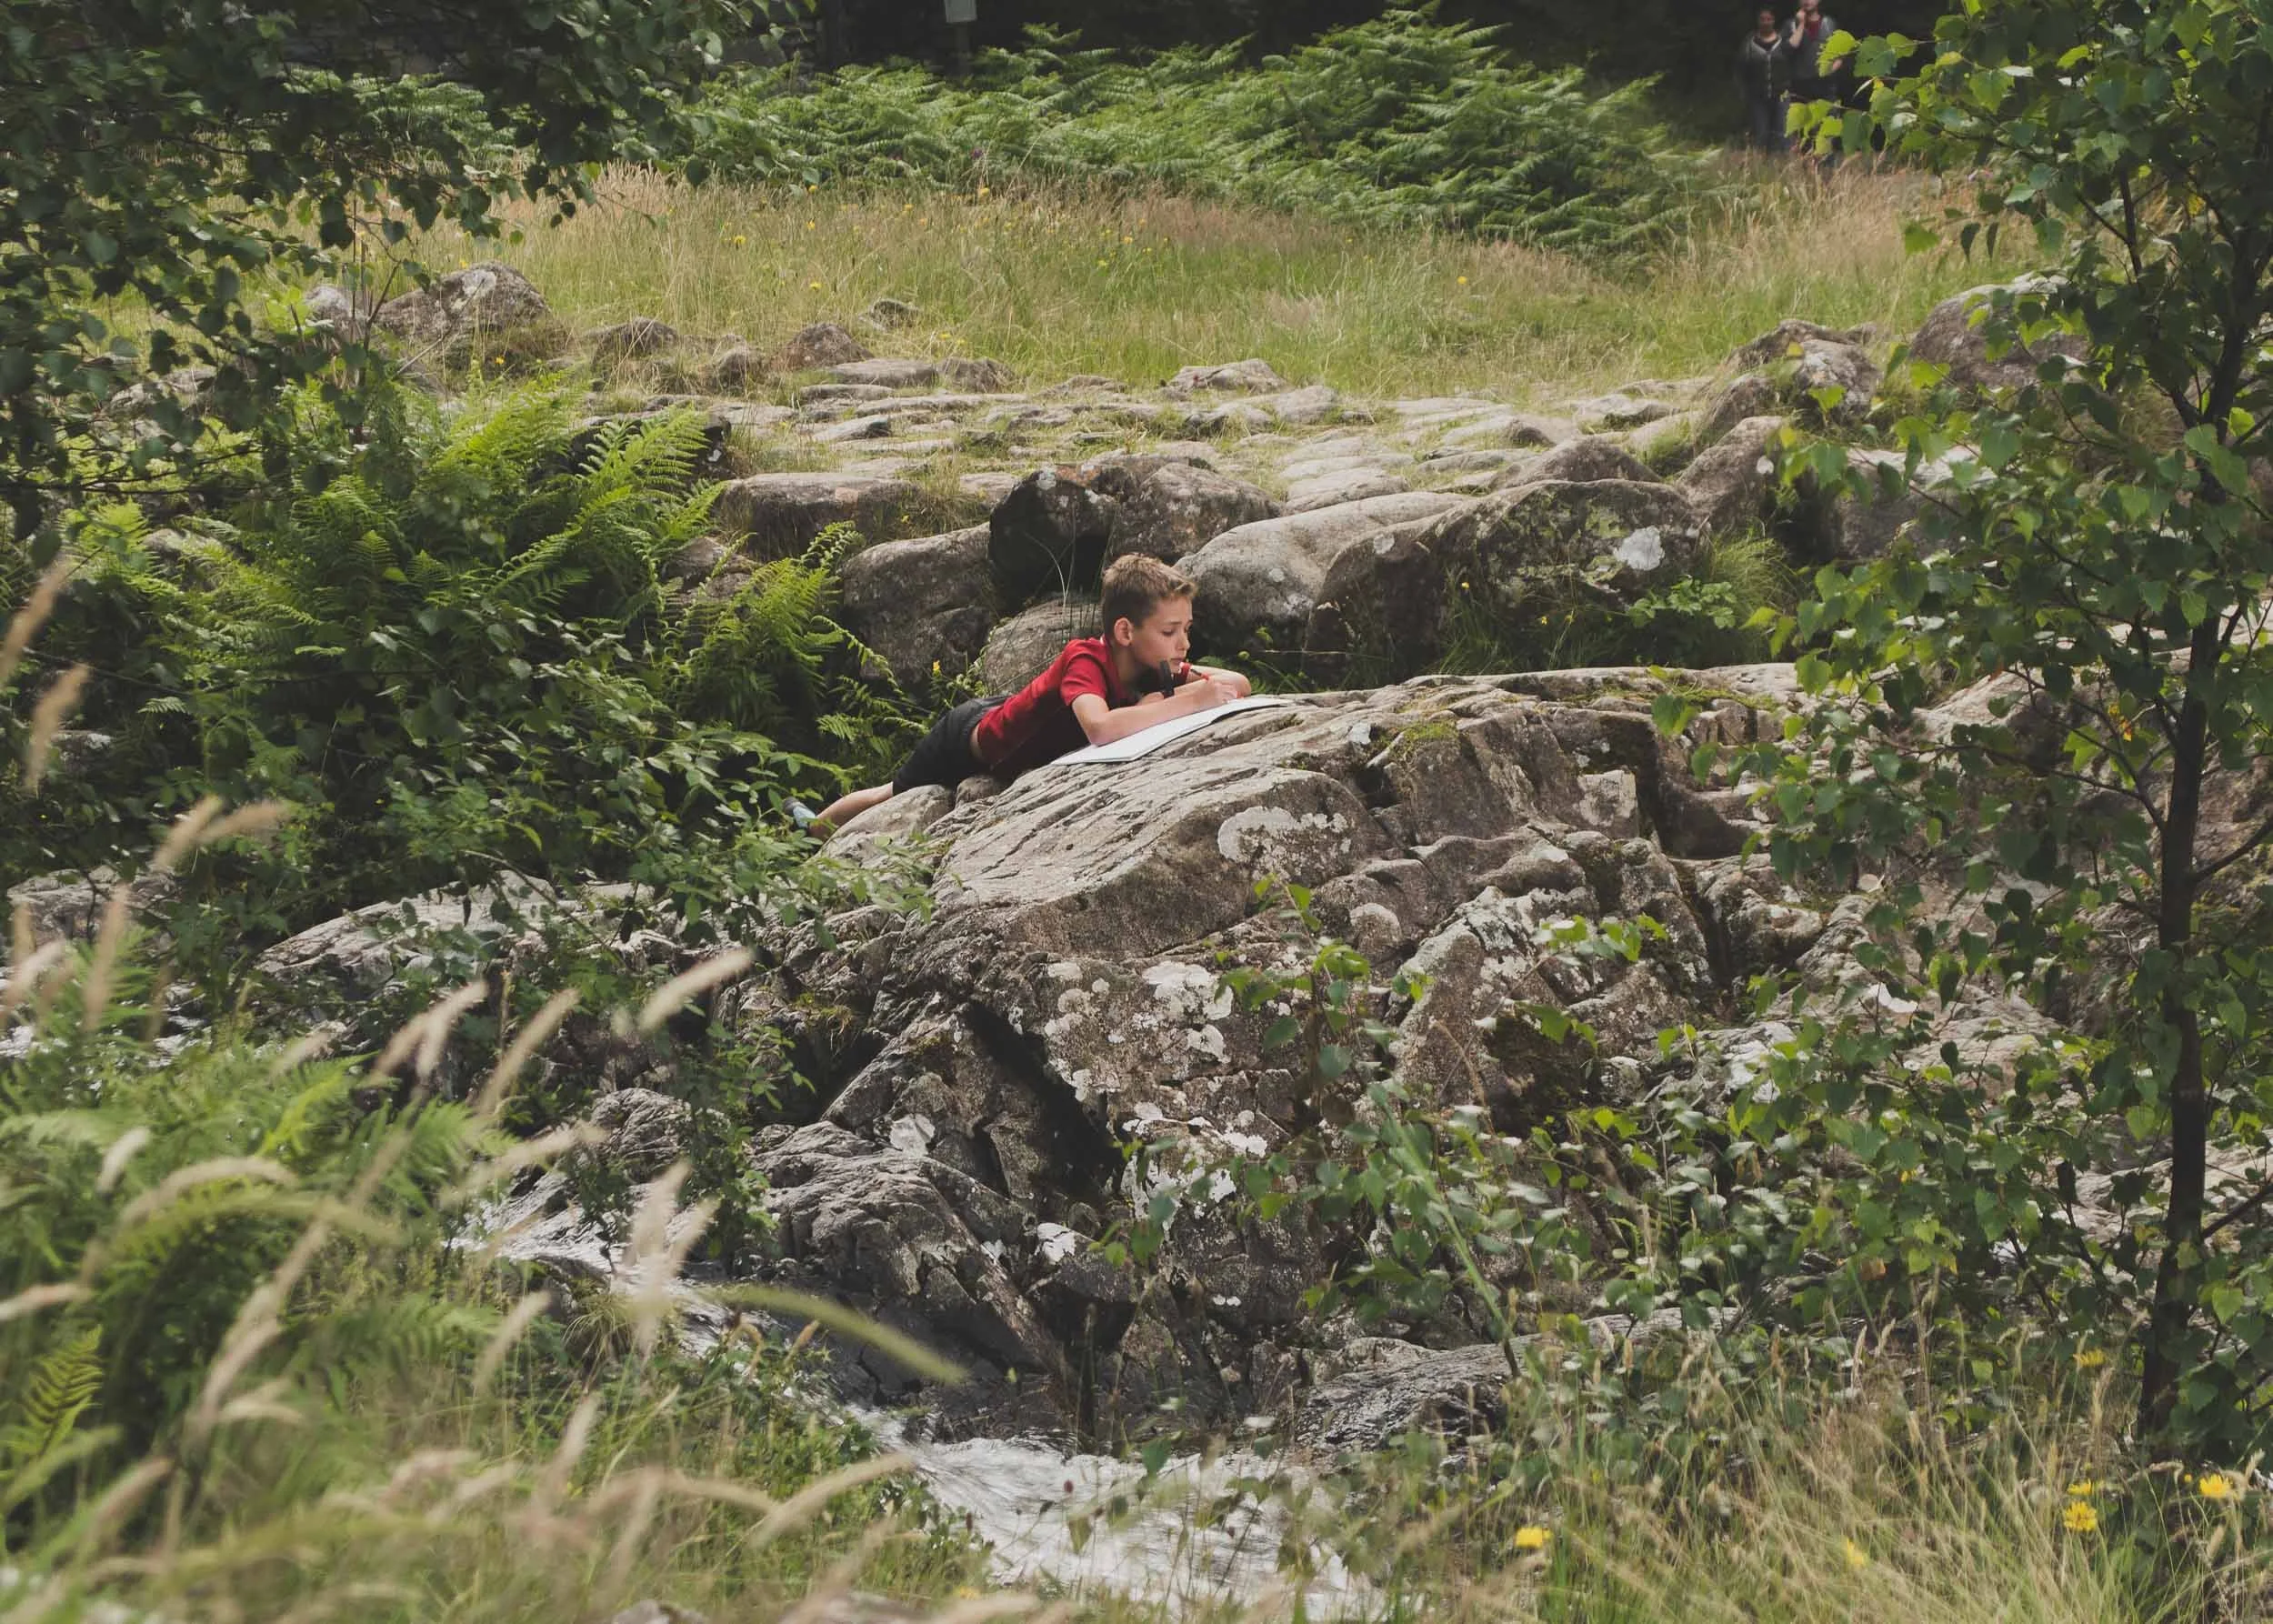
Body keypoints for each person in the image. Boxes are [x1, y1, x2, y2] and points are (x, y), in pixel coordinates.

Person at [801, 554, 1252, 835]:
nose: (1184, 644)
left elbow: (1239, 686)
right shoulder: (1086, 659)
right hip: (969, 740)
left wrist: (1187, 681)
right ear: (1124, 631)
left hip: (1011, 714)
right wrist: (1188, 700)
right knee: (890, 795)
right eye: (1171, 631)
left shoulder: (1156, 666)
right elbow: (1099, 728)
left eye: (1187, 630)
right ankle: (814, 827)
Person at [1735, 6, 1791, 153]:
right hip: (1757, 96)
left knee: (1783, 133)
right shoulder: (1749, 44)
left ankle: (1784, 166)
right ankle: (1762, 167)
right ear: (1758, 21)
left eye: (1769, 19)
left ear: (1773, 21)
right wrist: (1743, 92)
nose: (1766, 22)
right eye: (1762, 19)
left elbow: (1793, 66)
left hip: (1782, 94)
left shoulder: (1783, 42)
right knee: (1761, 133)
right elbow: (1741, 70)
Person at [1785, 0, 1844, 112]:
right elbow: (1789, 49)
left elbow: (1840, 55)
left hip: (1826, 87)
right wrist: (1801, 24)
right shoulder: (1790, 24)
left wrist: (1829, 71)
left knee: (1828, 125)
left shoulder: (1829, 23)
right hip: (1800, 88)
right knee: (1803, 127)